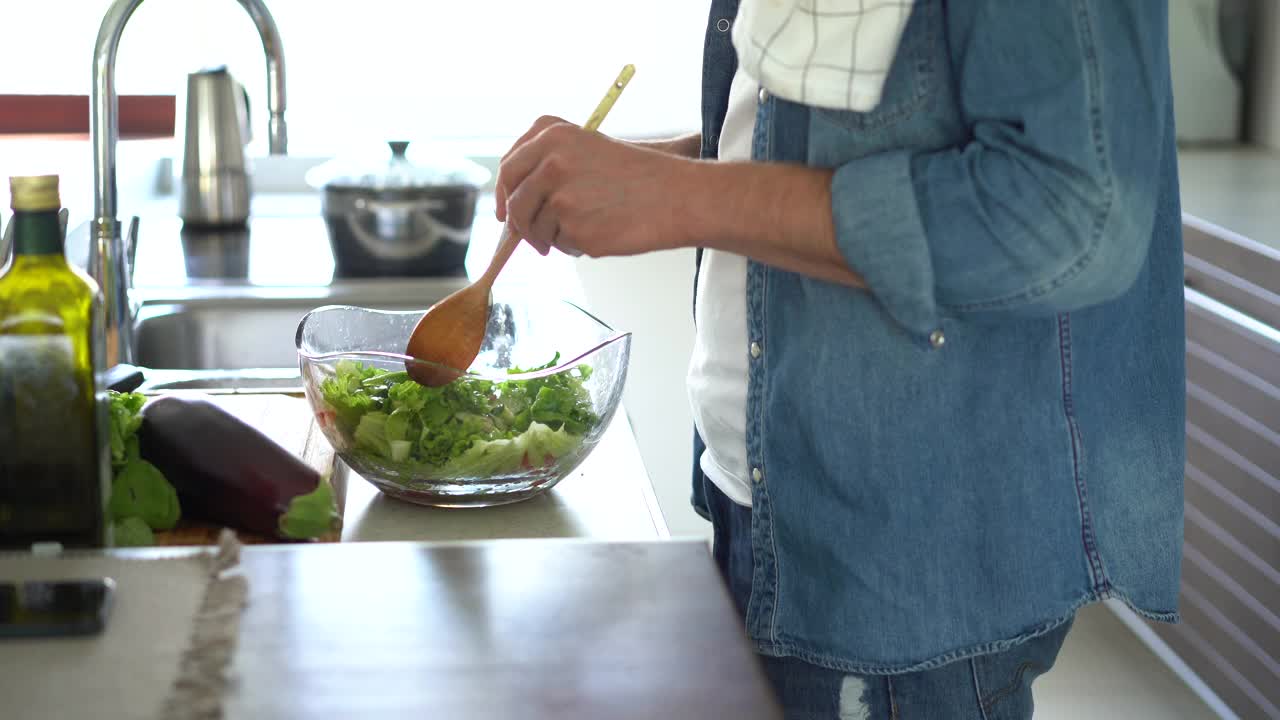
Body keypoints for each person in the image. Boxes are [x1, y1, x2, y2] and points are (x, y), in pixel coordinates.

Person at [494, 1, 1185, 718]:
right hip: (764, 504)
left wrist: (679, 197)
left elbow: (1066, 215)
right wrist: (643, 173)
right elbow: (842, 120)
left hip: (899, 552)